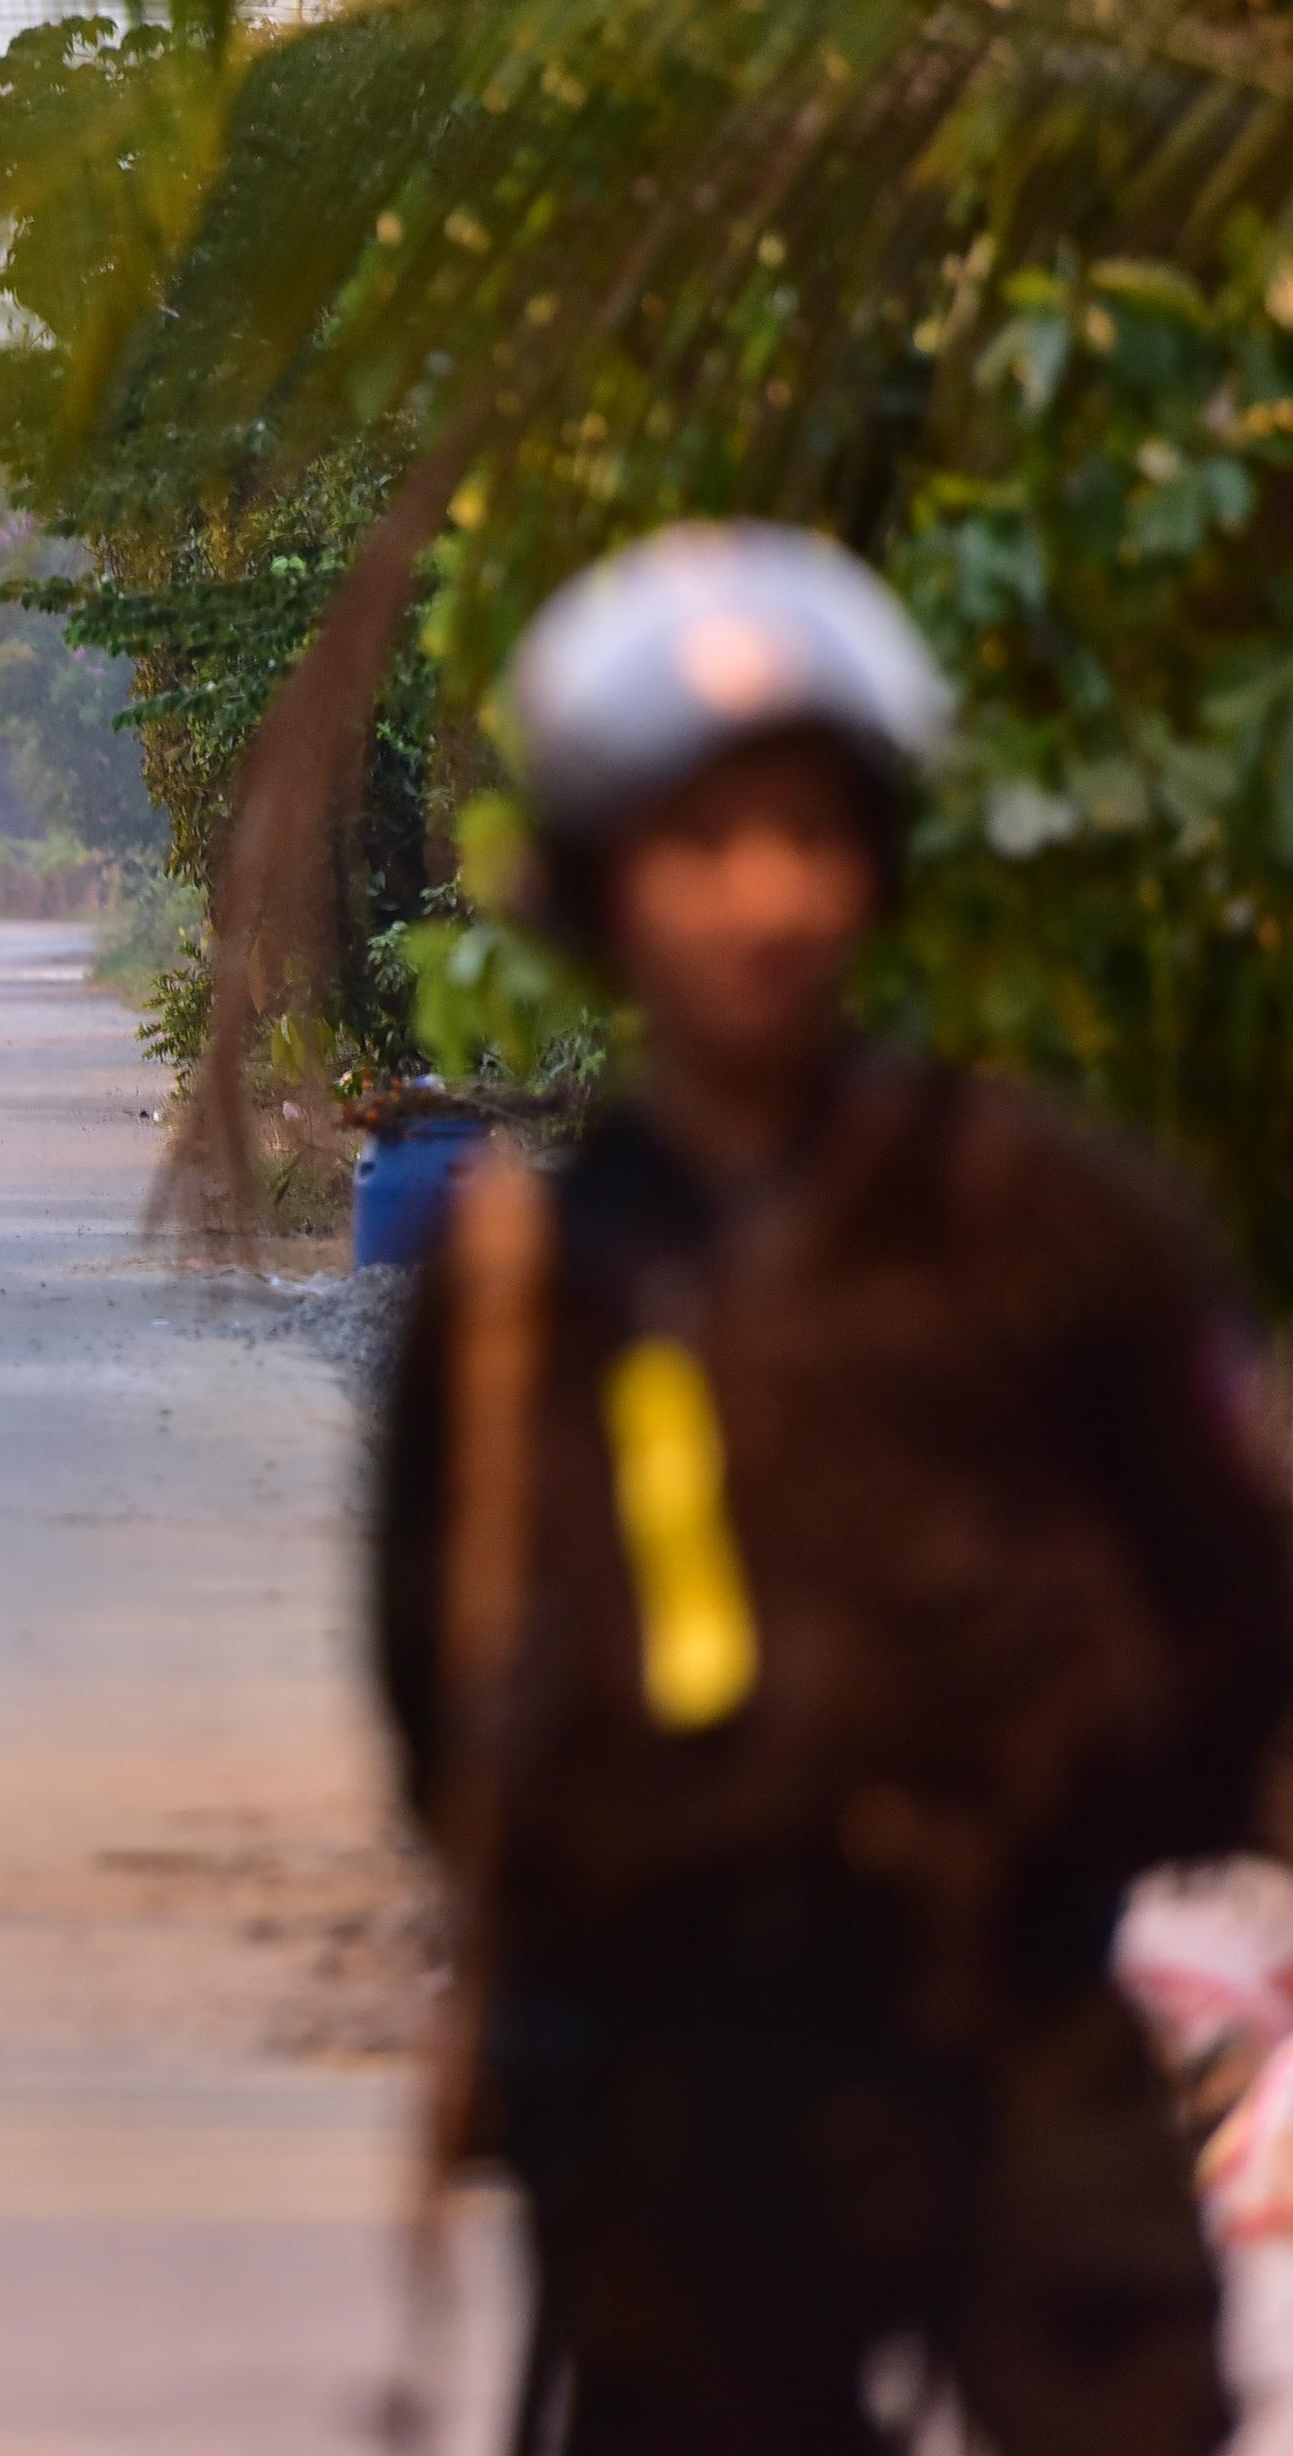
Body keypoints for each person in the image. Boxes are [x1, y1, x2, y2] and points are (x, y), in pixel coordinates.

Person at [374, 525, 1291, 2456]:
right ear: (604, 887)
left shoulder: (1055, 1221)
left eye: (810, 838)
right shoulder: (529, 1271)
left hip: (1026, 2011)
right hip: (679, 2054)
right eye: (704, 848)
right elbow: (428, 1667)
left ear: (875, 864)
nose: (765, 901)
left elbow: (1230, 1578)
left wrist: (1099, 1811)